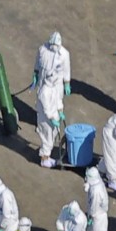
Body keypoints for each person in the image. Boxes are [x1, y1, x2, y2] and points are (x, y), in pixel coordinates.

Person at [31, 32, 71, 167]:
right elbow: (37, 63)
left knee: (53, 131)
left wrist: (59, 110)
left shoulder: (64, 54)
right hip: (46, 96)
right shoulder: (42, 50)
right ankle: (44, 158)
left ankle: (47, 154)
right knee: (46, 130)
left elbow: (67, 70)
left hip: (55, 90)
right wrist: (36, 75)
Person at [84, 167, 109, 231]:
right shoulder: (97, 184)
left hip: (98, 217)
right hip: (97, 215)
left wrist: (90, 217)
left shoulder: (96, 191)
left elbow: (94, 207)